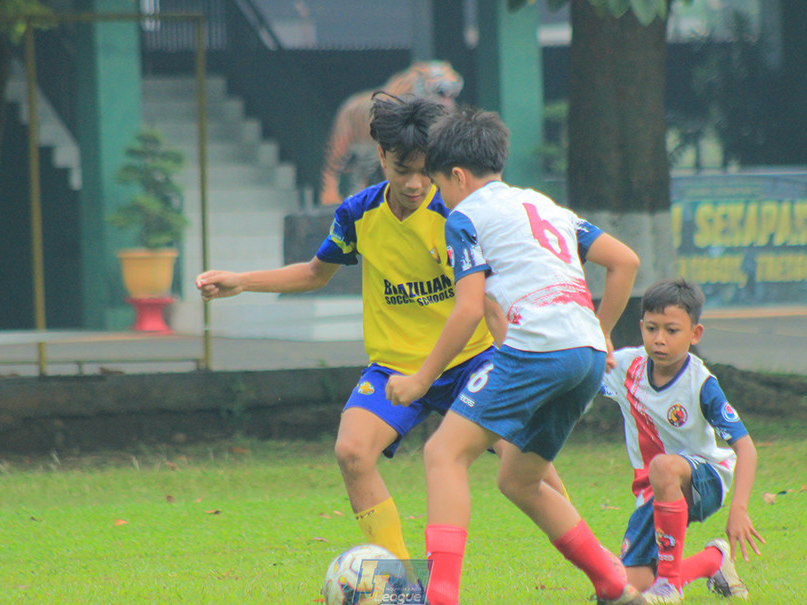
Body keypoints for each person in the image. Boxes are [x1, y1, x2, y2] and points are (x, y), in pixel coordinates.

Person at [195, 94, 569, 565]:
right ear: (381, 156)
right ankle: (402, 579)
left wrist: (519, 367)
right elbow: (314, 273)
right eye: (401, 169)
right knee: (352, 451)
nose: (414, 184)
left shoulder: (460, 217)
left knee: (524, 459)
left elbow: (489, 305)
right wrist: (242, 281)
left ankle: (601, 565)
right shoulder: (358, 213)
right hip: (395, 368)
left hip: (471, 361)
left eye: (425, 171)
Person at [377, 105, 644, 605]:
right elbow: (625, 261)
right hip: (586, 357)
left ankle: (439, 603)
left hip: (535, 348)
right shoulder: (545, 206)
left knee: (443, 454)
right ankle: (616, 589)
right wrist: (602, 331)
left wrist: (421, 379)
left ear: (457, 176)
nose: (437, 197)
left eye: (438, 185)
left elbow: (468, 309)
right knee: (521, 480)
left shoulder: (464, 217)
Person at [599, 277, 765, 604]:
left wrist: (739, 509)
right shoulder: (625, 366)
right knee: (626, 588)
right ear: (641, 327)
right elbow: (580, 376)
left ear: (695, 334)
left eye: (672, 330)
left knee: (663, 466)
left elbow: (746, 449)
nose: (659, 339)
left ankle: (670, 586)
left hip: (705, 479)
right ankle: (713, 560)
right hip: (653, 491)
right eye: (651, 329)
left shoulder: (700, 383)